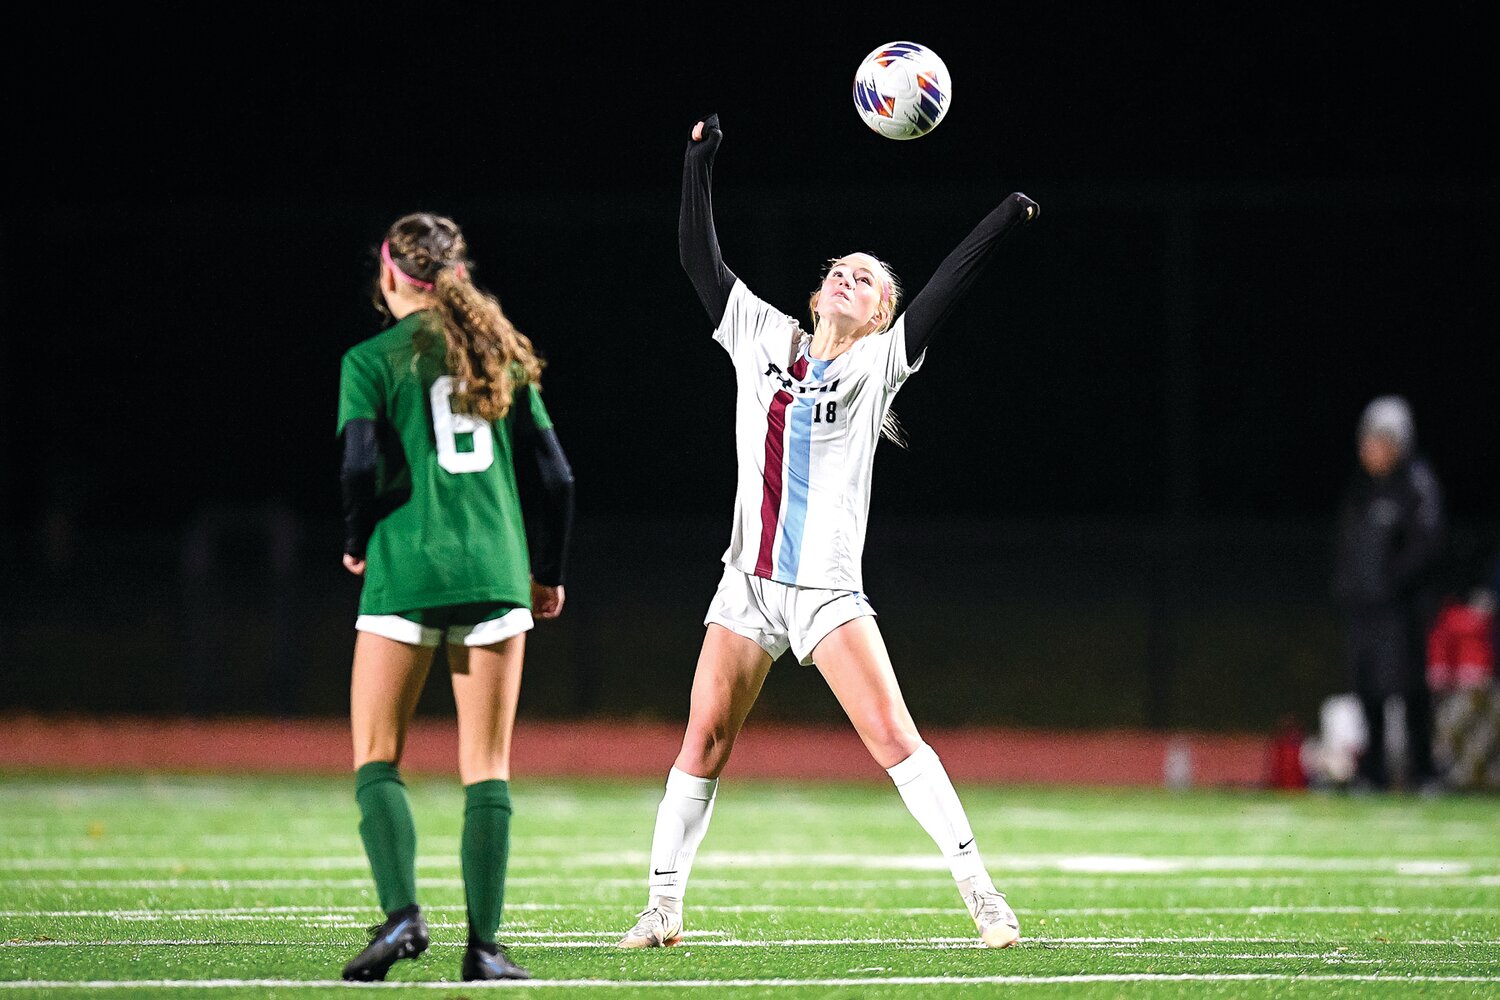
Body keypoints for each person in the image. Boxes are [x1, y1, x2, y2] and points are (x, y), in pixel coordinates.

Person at [617, 115, 1038, 951]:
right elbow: (700, 260)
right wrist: (696, 163)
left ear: (884, 317)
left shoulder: (875, 366)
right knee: (702, 738)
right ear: (815, 298)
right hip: (747, 581)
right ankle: (662, 907)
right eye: (839, 272)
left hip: (825, 591)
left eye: (868, 281)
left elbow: (949, 288)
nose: (850, 278)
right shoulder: (763, 336)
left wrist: (1001, 219)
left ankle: (984, 896)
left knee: (893, 738)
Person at [335, 212, 575, 981]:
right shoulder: (496, 348)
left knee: (377, 758)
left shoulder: (371, 358)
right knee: (487, 766)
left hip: (404, 567)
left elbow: (357, 464)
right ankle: (485, 949)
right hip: (497, 570)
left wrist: (353, 536)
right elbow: (558, 477)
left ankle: (403, 913)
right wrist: (549, 572)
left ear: (389, 276)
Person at [1332, 395, 1445, 792]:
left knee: (1409, 690)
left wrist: (1392, 585)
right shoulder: (1363, 491)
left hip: (1402, 611)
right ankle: (1374, 773)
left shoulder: (1416, 485)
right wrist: (1350, 589)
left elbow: (1425, 546)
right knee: (1368, 693)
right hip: (1365, 610)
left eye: (1378, 441)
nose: (1369, 450)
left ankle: (1423, 771)